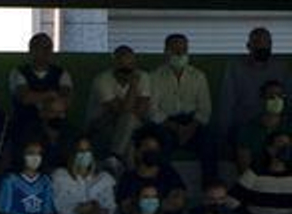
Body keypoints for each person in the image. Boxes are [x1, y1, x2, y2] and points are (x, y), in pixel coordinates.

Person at [151, 33, 216, 178]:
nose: (180, 54)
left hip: (192, 123)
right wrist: (175, 127)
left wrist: (190, 128)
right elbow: (153, 109)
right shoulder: (154, 76)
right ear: (166, 52)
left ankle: (211, 185)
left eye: (183, 50)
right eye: (175, 51)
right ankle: (165, 185)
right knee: (160, 142)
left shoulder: (198, 76)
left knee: (209, 140)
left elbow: (205, 108)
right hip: (166, 123)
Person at [219, 27, 291, 149]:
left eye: (267, 43)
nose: (263, 46)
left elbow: (288, 100)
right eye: (258, 42)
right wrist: (223, 132)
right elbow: (226, 103)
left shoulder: (281, 68)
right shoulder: (235, 68)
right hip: (244, 125)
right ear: (248, 46)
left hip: (276, 125)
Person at [86, 46, 151, 167]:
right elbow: (121, 111)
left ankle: (115, 159)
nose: (127, 73)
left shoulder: (143, 77)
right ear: (115, 65)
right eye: (123, 69)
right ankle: (123, 167)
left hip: (132, 123)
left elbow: (141, 111)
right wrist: (133, 87)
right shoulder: (102, 80)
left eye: (130, 69)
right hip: (102, 124)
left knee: (130, 126)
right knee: (129, 129)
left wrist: (132, 89)